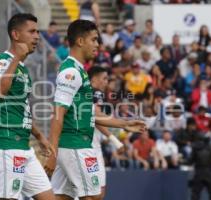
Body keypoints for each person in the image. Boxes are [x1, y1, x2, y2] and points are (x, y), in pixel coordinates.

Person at [44, 19, 145, 200]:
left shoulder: (79, 71)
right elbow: (58, 113)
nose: (97, 45)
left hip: (74, 143)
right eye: (94, 39)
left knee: (63, 197)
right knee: (94, 196)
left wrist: (124, 124)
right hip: (74, 144)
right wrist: (52, 152)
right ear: (80, 41)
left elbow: (90, 114)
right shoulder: (71, 72)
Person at [0, 13, 55, 200]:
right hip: (6, 143)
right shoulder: (3, 62)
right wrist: (16, 59)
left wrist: (39, 135)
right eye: (32, 31)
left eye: (38, 32)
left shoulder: (22, 68)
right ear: (16, 35)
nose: (37, 36)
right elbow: (0, 90)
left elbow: (21, 108)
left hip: (22, 145)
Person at [88, 66, 124, 199]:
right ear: (94, 79)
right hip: (88, 148)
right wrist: (115, 140)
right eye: (104, 78)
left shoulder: (86, 92)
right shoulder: (96, 92)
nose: (106, 82)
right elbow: (97, 118)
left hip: (92, 144)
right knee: (96, 193)